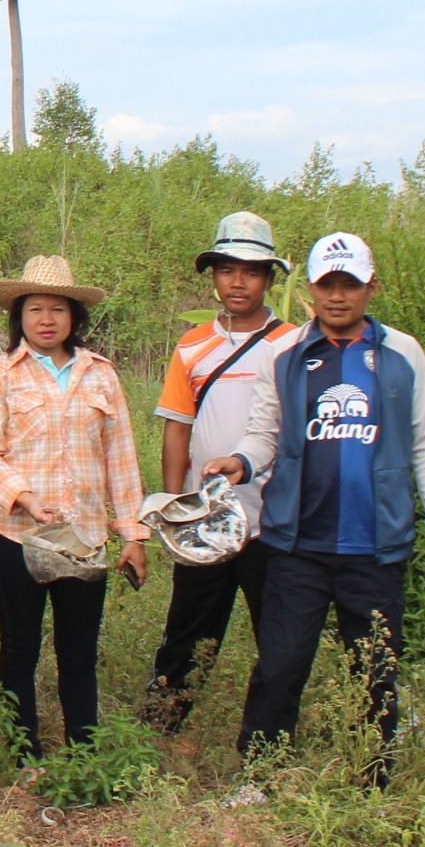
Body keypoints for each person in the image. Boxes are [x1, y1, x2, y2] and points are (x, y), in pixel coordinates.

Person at [203, 231, 425, 782]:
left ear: (372, 287)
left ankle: (374, 777)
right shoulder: (285, 354)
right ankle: (261, 777)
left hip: (376, 547)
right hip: (297, 545)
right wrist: (240, 463)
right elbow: (264, 433)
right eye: (326, 284)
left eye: (350, 284)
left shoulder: (401, 354)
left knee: (374, 670)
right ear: (310, 290)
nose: (337, 296)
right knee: (281, 665)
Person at [0, 254, 150, 759]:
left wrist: (133, 533)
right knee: (20, 648)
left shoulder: (101, 376)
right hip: (14, 535)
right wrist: (25, 497)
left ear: (75, 317)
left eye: (58, 310)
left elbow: (122, 456)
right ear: (19, 316)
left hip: (85, 539)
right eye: (35, 309)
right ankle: (26, 756)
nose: (46, 320)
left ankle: (84, 753)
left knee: (79, 653)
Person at [139, 212, 303, 732]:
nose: (238, 281)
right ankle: (162, 722)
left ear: (270, 278)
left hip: (272, 520)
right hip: (205, 516)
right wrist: (174, 508)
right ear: (212, 274)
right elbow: (177, 429)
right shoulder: (192, 346)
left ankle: (269, 739)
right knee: (188, 628)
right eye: (227, 269)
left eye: (252, 271)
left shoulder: (294, 346)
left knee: (276, 636)